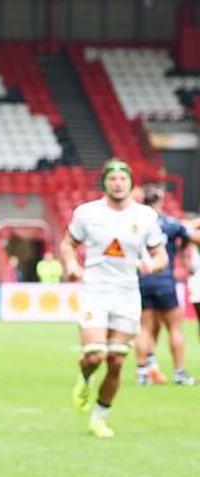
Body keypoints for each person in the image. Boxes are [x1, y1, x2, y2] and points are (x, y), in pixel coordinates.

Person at [60, 160, 166, 438]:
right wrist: (71, 265)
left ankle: (100, 417)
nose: (118, 183)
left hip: (127, 292)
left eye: (123, 178)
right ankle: (85, 377)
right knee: (95, 355)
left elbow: (161, 256)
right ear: (105, 182)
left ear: (131, 183)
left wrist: (152, 266)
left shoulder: (145, 216)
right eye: (113, 178)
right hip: (95, 290)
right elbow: (68, 244)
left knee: (117, 362)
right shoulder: (87, 213)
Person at [135, 185, 199, 386]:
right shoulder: (171, 224)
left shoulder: (135, 223)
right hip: (165, 280)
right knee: (174, 327)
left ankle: (142, 373)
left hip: (142, 280)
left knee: (145, 328)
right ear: (160, 201)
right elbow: (193, 237)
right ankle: (180, 373)